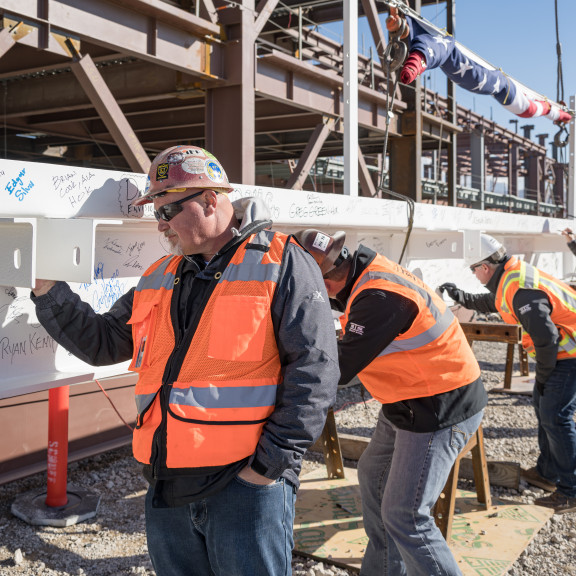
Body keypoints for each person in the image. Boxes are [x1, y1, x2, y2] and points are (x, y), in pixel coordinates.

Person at [31, 146, 340, 576]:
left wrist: (268, 467)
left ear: (210, 201)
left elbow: (316, 370)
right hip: (167, 481)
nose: (160, 225)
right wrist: (47, 289)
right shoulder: (161, 275)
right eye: (156, 213)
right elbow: (104, 343)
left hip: (244, 485)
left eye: (168, 210)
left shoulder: (282, 262)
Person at [294, 229, 487, 576]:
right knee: (373, 477)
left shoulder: (380, 297)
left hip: (438, 406)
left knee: (406, 516)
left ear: (324, 282)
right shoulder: (364, 275)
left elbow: (336, 369)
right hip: (410, 397)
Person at [439, 233, 576, 514]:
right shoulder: (510, 277)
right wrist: (460, 296)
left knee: (556, 416)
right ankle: (548, 475)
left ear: (484, 267)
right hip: (562, 354)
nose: (474, 274)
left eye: (473, 269)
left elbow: (547, 339)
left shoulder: (520, 289)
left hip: (569, 355)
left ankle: (570, 492)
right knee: (544, 408)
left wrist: (544, 376)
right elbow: (495, 303)